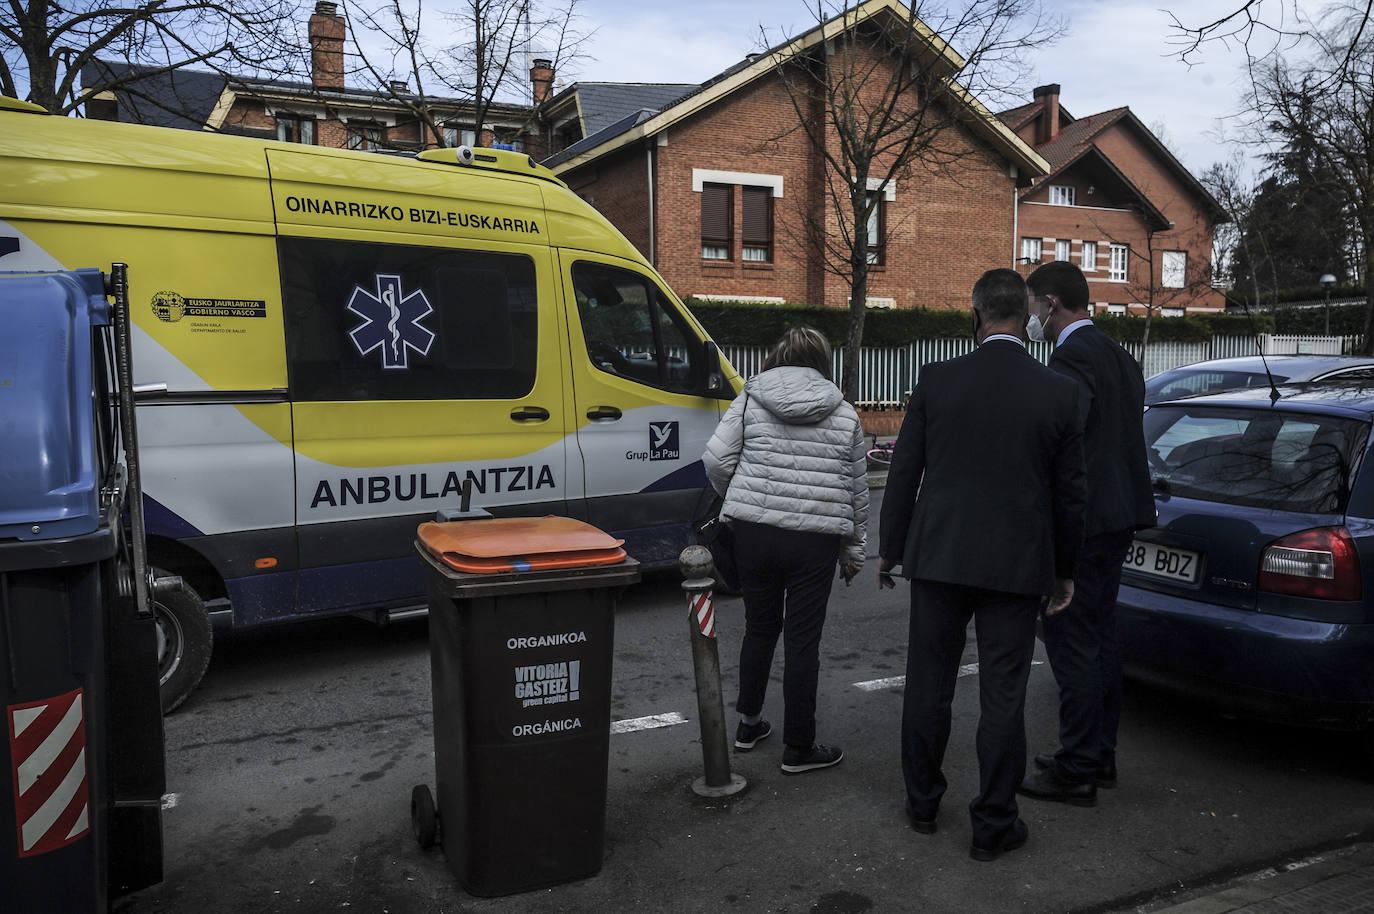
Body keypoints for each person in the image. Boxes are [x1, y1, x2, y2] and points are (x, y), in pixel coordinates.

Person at [878, 268, 1085, 861]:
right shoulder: (1058, 392)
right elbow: (1070, 494)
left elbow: (904, 471)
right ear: (1026, 318)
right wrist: (1063, 570)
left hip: (940, 555)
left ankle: (922, 804)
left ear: (974, 316)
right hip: (1018, 565)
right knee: (1003, 696)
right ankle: (993, 823)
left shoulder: (937, 381)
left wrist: (891, 549)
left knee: (928, 684)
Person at [1017, 261, 1155, 806]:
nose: (1031, 316)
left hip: (1086, 521)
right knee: (1100, 638)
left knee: (1071, 640)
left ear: (1050, 303)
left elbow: (1065, 442)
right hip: (1120, 516)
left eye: (1032, 305)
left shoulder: (1071, 357)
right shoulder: (1120, 356)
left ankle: (1076, 769)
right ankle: (1100, 754)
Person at [703, 326, 869, 775]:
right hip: (814, 540)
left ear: (777, 357)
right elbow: (857, 490)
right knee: (802, 640)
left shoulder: (750, 400)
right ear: (822, 362)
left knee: (760, 628)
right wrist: (853, 552)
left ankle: (747, 723)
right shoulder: (845, 412)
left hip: (754, 532)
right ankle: (799, 747)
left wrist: (741, 495)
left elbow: (715, 461)